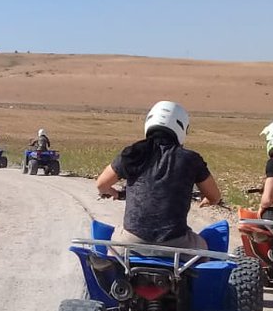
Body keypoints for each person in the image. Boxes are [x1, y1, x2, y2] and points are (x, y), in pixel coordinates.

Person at [95, 100, 222, 250]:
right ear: (182, 128)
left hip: (132, 241)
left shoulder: (133, 153)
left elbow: (101, 184)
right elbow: (215, 196)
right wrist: (207, 199)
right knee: (206, 249)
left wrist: (114, 192)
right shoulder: (190, 159)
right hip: (175, 243)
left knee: (110, 248)